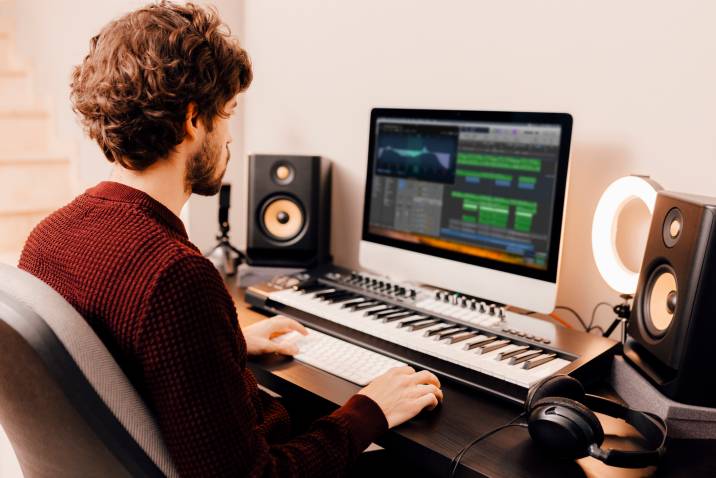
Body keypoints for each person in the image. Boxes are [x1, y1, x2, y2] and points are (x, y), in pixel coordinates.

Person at [19, 2, 443, 477]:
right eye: (228, 115)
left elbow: (113, 366)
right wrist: (369, 410)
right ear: (193, 120)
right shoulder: (175, 277)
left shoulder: (48, 237)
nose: (228, 139)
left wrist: (225, 345)